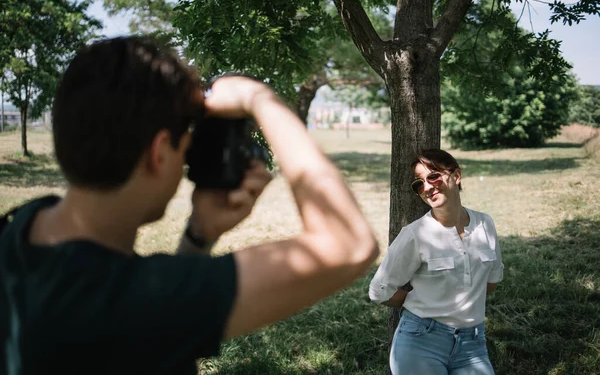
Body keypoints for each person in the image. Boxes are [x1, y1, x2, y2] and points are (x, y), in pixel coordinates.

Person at [0, 36, 379, 374]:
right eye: (186, 143)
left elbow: (154, 339)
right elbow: (349, 244)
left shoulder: (22, 228)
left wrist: (199, 237)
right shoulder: (130, 299)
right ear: (160, 151)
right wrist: (260, 99)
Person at [368, 149, 504, 375]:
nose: (428, 187)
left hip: (473, 344)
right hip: (420, 342)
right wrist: (420, 300)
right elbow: (378, 291)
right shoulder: (415, 234)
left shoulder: (484, 224)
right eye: (419, 184)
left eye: (433, 176)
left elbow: (491, 282)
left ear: (456, 176)